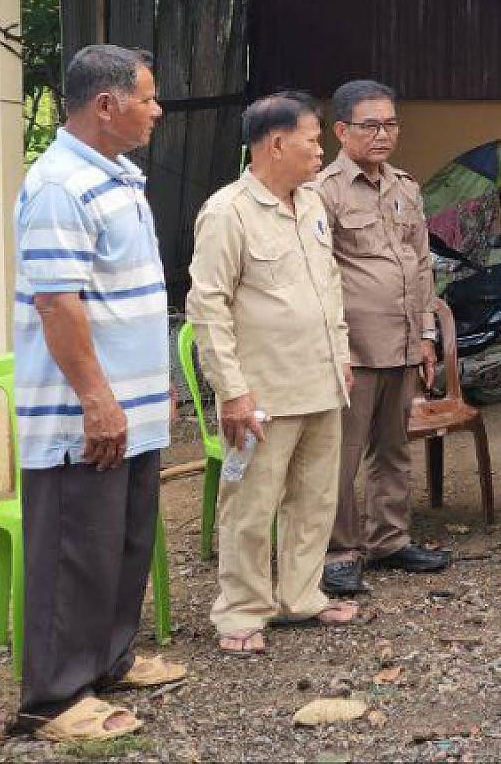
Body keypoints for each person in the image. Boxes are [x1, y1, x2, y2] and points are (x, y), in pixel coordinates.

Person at [13, 46, 187, 741]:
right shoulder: (59, 185)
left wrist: (156, 391)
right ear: (107, 106)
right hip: (81, 415)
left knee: (122, 543)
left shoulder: (117, 178)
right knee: (73, 552)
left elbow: (130, 301)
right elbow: (59, 304)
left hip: (131, 408)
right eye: (146, 98)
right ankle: (52, 699)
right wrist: (98, 400)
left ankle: (109, 659)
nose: (157, 109)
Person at [189, 91, 358, 655]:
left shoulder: (309, 205)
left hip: (320, 381)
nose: (320, 149)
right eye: (313, 138)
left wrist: (342, 354)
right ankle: (241, 612)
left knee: (314, 500)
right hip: (261, 395)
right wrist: (232, 392)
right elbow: (208, 310)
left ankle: (301, 594)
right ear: (276, 143)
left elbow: (328, 288)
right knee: (251, 505)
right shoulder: (227, 213)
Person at [317, 79, 450, 600]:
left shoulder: (405, 186)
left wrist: (425, 334)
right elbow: (319, 273)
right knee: (342, 453)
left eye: (390, 123)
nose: (382, 134)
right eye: (370, 125)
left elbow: (420, 265)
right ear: (341, 130)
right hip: (353, 346)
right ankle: (340, 552)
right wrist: (332, 345)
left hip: (400, 338)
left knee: (393, 448)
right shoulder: (322, 191)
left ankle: (390, 540)